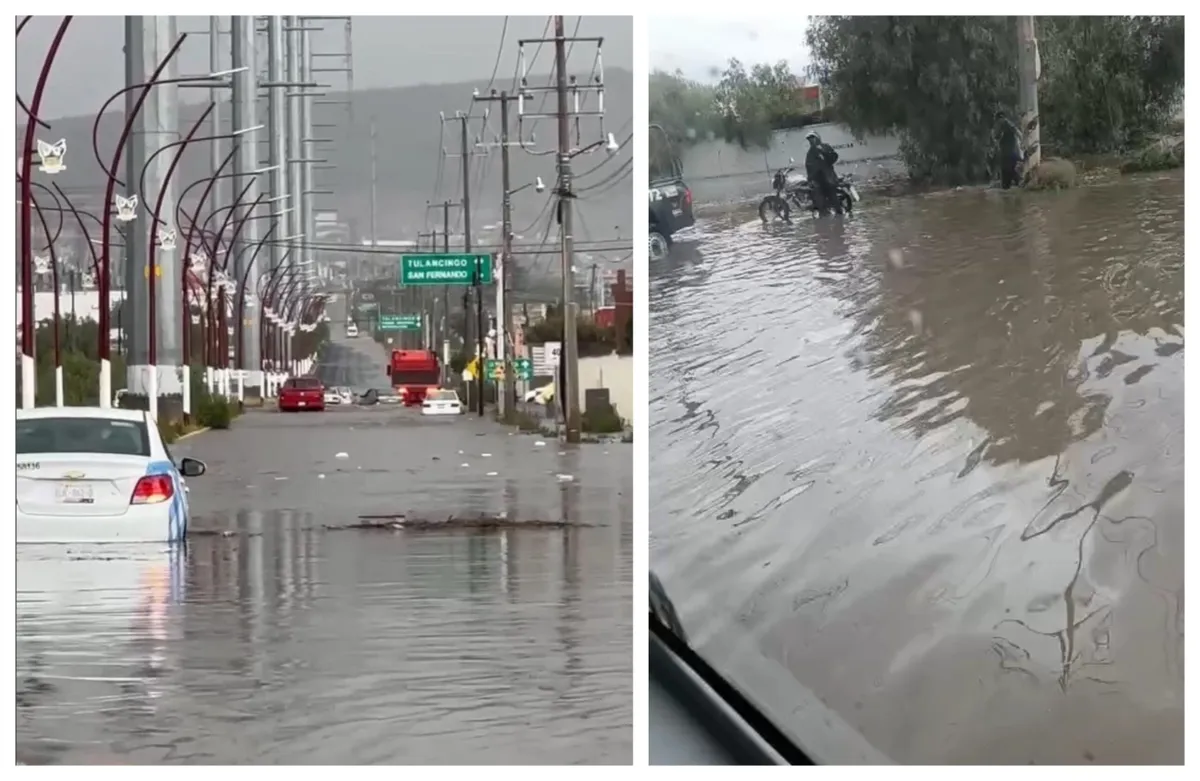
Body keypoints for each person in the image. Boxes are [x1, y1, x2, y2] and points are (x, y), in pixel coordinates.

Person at [804, 130, 842, 216]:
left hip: (828, 178)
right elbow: (808, 165)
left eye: (812, 138)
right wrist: (810, 178)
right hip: (817, 179)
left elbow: (834, 157)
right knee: (819, 200)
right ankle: (824, 219)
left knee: (832, 199)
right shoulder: (811, 151)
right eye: (809, 139)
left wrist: (823, 153)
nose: (811, 141)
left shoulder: (825, 147)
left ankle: (837, 219)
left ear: (817, 138)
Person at [995, 110, 1023, 189]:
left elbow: (996, 136)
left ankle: (1016, 184)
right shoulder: (1007, 124)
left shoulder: (1004, 122)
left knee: (1007, 174)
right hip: (1010, 153)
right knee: (1012, 173)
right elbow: (1017, 132)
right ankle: (1019, 184)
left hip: (1007, 154)